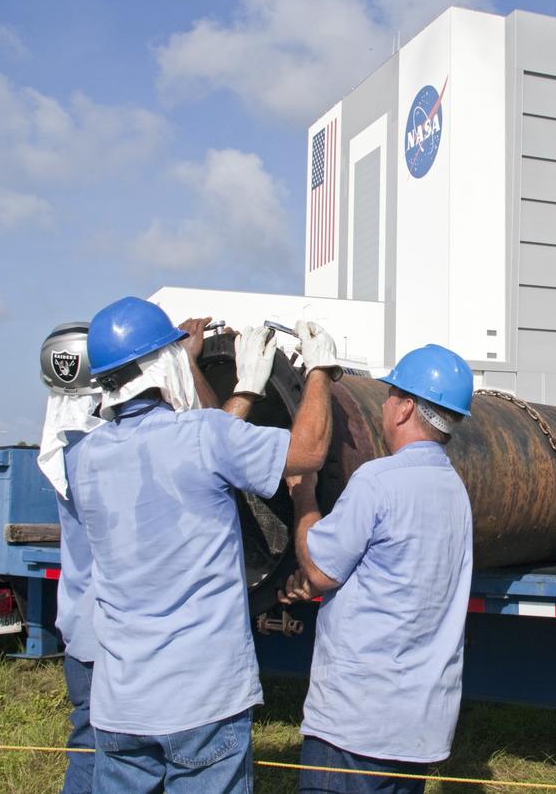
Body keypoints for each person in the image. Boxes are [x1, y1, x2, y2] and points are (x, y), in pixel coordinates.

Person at [63, 296, 341, 793]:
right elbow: (307, 453)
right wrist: (319, 371)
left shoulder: (83, 458)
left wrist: (237, 391)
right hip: (203, 698)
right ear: (165, 363)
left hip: (120, 702)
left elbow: (191, 455)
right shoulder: (204, 438)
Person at [36, 315, 226, 794]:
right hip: (125, 644)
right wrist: (179, 364)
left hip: (85, 636)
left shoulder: (71, 451)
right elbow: (208, 438)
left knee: (95, 754)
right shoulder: (110, 448)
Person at [280, 344, 476, 794]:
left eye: (390, 396)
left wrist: (304, 494)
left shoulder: (377, 480)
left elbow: (318, 572)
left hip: (355, 724)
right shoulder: (454, 492)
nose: (384, 404)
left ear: (406, 407)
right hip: (417, 729)